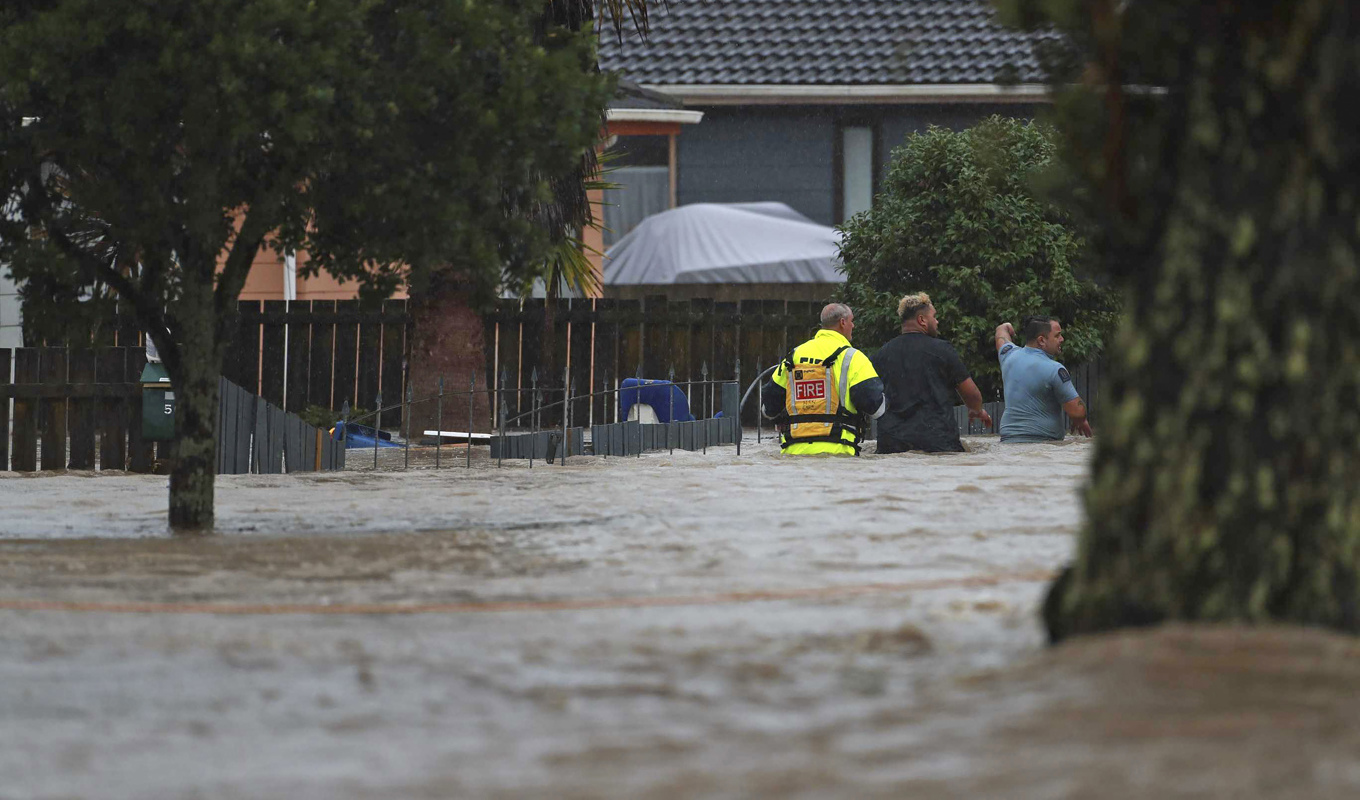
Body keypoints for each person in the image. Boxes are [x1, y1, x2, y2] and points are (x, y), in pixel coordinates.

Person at [872, 293, 991, 453]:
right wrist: (976, 410)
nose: (937, 321)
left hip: (891, 445)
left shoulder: (881, 354)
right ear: (922, 320)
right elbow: (972, 394)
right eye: (934, 317)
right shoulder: (942, 350)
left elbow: (870, 396)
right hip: (937, 443)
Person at [761, 303, 885, 455]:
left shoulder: (794, 356)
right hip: (840, 453)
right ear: (843, 322)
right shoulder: (853, 358)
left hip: (793, 455)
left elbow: (768, 408)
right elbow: (877, 408)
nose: (853, 325)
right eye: (852, 321)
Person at [995, 315, 1091, 442]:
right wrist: (1081, 419)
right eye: (1057, 336)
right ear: (1041, 340)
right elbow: (1077, 411)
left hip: (1008, 442)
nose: (1062, 339)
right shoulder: (1055, 369)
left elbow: (1000, 336)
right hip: (1044, 445)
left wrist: (1004, 326)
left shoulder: (1008, 355)